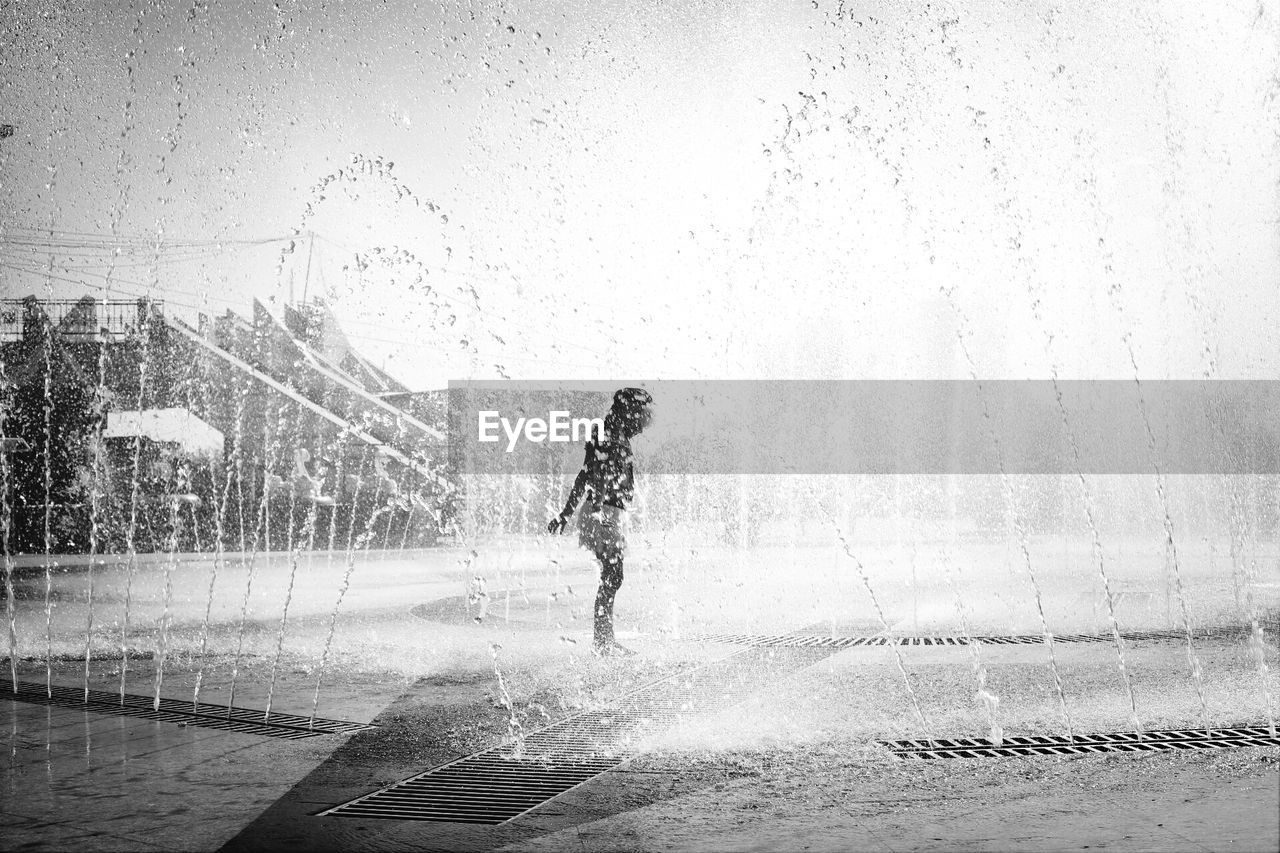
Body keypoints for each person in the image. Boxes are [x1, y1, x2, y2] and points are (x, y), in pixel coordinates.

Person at [547, 387, 653, 656]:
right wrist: (595, 507)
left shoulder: (608, 432)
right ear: (629, 411)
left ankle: (604, 640)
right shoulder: (611, 435)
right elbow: (599, 474)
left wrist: (566, 514)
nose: (643, 423)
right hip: (603, 512)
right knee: (613, 576)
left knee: (612, 576)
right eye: (641, 414)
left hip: (604, 511)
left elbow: (584, 475)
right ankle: (603, 642)